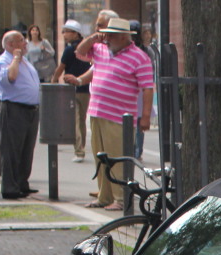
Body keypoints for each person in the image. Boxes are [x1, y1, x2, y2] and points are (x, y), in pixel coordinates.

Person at [67, 14, 153, 210]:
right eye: (106, 34)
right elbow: (79, 53)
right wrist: (92, 38)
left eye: (111, 35)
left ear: (124, 37)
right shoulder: (101, 49)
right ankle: (104, 196)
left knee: (118, 158)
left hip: (119, 116)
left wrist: (145, 117)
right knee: (101, 158)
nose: (107, 38)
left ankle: (121, 198)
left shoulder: (139, 57)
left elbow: (148, 87)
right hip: (97, 111)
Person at [0, 30, 41, 200]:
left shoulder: (26, 61)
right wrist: (15, 58)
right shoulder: (2, 61)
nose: (25, 42)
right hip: (14, 109)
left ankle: (22, 183)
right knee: (12, 149)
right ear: (10, 45)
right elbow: (10, 77)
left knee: (26, 150)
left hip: (31, 110)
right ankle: (10, 187)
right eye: (21, 40)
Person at [51, 20, 91, 163]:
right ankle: (82, 147)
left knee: (75, 120)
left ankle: (79, 151)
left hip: (72, 89)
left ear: (75, 33)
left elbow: (60, 68)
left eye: (66, 31)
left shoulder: (69, 50)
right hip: (86, 88)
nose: (64, 35)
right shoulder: (87, 48)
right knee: (81, 121)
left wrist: (54, 81)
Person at [133, 23, 158, 160]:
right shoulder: (145, 51)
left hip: (141, 90)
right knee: (134, 123)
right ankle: (135, 151)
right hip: (137, 90)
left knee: (137, 122)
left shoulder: (146, 51)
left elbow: (151, 69)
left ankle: (136, 151)